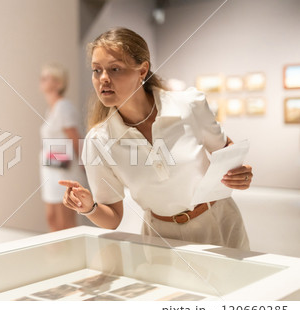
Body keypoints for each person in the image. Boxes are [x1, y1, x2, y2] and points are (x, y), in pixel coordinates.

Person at [59, 28, 252, 249]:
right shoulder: (98, 141)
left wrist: (241, 173)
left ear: (142, 71)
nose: (103, 79)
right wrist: (88, 207)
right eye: (96, 70)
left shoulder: (188, 105)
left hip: (220, 224)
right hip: (161, 240)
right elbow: (112, 218)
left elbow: (226, 151)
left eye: (115, 69)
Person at [39, 62, 87, 232]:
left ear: (58, 83)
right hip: (50, 168)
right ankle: (56, 256)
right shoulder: (51, 109)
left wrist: (84, 166)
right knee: (51, 217)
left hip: (64, 170)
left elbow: (75, 138)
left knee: (65, 221)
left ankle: (73, 257)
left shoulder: (64, 107)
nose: (41, 80)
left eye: (47, 77)